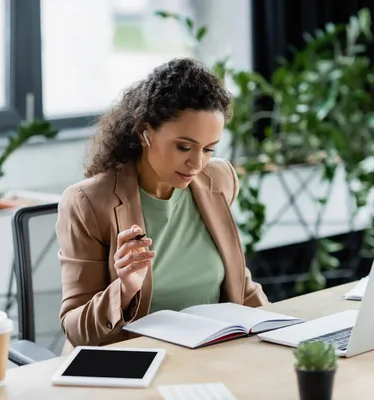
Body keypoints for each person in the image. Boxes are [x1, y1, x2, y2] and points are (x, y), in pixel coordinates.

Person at [55, 57, 268, 355]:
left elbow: (241, 287)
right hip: (130, 364)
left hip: (212, 356)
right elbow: (77, 330)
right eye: (184, 147)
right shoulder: (88, 203)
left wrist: (283, 334)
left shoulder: (219, 180)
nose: (197, 163)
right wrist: (125, 288)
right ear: (146, 132)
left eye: (208, 149)